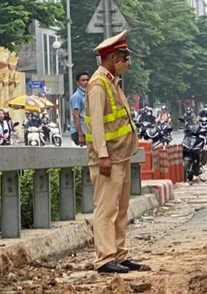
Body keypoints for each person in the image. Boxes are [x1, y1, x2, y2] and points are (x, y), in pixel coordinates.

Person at [84, 31, 146, 274]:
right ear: (111, 57)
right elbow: (96, 124)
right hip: (107, 158)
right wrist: (102, 155)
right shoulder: (98, 85)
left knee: (120, 210)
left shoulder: (112, 82)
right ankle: (105, 258)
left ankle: (119, 254)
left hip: (121, 155)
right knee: (106, 210)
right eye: (123, 56)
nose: (126, 62)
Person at [70, 71, 90, 146]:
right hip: (80, 132)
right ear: (78, 83)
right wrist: (80, 135)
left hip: (87, 130)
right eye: (83, 80)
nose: (86, 82)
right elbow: (76, 116)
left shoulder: (87, 95)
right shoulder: (77, 96)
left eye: (87, 80)